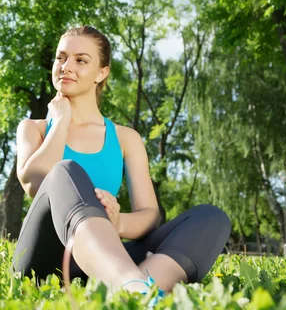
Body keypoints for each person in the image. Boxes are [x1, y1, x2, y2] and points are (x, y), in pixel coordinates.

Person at [12, 26, 231, 300]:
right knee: (65, 171)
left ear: (102, 73)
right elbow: (35, 183)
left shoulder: (126, 138)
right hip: (46, 264)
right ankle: (132, 282)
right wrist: (61, 121)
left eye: (81, 60)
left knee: (211, 217)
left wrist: (117, 224)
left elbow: (149, 215)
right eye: (61, 58)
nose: (66, 67)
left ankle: (139, 292)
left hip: (105, 260)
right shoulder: (34, 129)